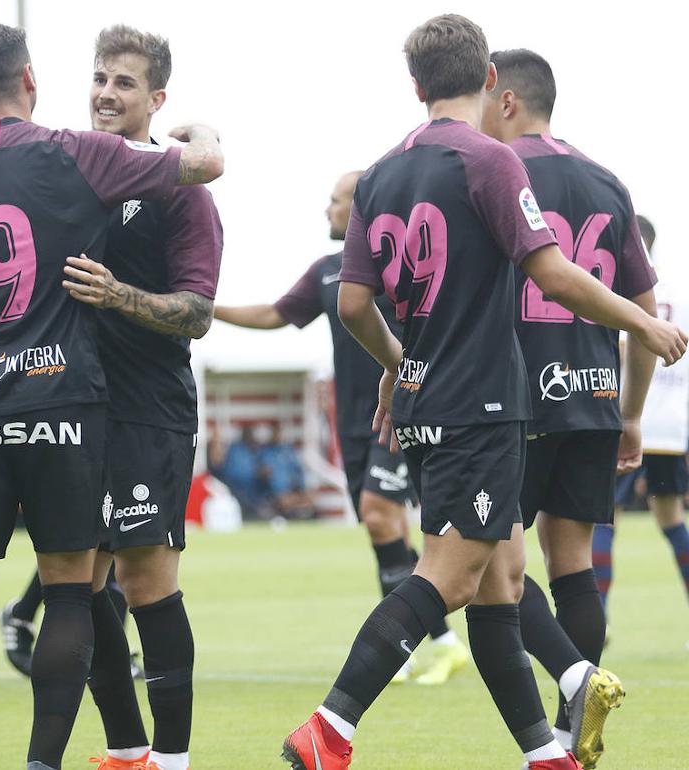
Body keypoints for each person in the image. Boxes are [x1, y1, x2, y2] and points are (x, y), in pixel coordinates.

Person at [281, 14, 687, 770]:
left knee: (501, 583)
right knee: (453, 577)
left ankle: (546, 753)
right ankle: (330, 726)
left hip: (429, 400)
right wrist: (644, 322)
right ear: (488, 81)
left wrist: (400, 367)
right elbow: (554, 272)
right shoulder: (490, 161)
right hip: (485, 405)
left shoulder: (380, 173)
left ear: (415, 84)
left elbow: (352, 306)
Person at [0, 23, 223, 770]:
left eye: (126, 82)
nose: (108, 93)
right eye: (101, 78)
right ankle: (126, 747)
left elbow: (199, 314)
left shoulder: (171, 191)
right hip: (71, 405)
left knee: (146, 580)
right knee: (80, 586)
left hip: (145, 408)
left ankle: (173, 758)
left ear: (157, 98)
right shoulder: (65, 168)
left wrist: (119, 296)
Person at [214, 170, 470, 685]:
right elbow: (275, 313)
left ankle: (433, 642)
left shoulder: (405, 266)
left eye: (334, 201)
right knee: (386, 532)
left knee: (381, 517)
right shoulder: (328, 272)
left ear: (360, 209)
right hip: (353, 425)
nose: (327, 210)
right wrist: (206, 308)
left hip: (404, 414)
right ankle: (428, 645)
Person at [479, 48, 662, 765]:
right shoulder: (608, 182)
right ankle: (565, 736)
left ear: (508, 99)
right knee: (573, 563)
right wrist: (632, 413)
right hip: (592, 395)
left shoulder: (496, 173)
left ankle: (573, 687)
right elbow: (642, 314)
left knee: (491, 563)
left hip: (514, 398)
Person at [592, 216, 689, 610]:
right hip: (670, 426)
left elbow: (619, 347)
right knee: (670, 517)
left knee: (603, 516)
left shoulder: (613, 291)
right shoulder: (679, 295)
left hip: (625, 416)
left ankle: (598, 616)